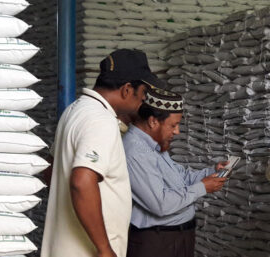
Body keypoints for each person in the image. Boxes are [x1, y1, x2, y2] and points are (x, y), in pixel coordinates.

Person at [41, 49, 163, 257]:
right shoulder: (101, 120)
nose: (143, 101)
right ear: (127, 90)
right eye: (142, 94)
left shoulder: (74, 110)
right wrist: (105, 249)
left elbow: (50, 170)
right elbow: (81, 181)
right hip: (86, 251)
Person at [123, 86, 228, 257]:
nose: (177, 131)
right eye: (173, 125)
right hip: (158, 243)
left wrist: (212, 172)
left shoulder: (155, 145)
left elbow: (181, 178)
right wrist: (203, 187)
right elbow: (160, 204)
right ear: (153, 121)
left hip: (175, 238)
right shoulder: (136, 152)